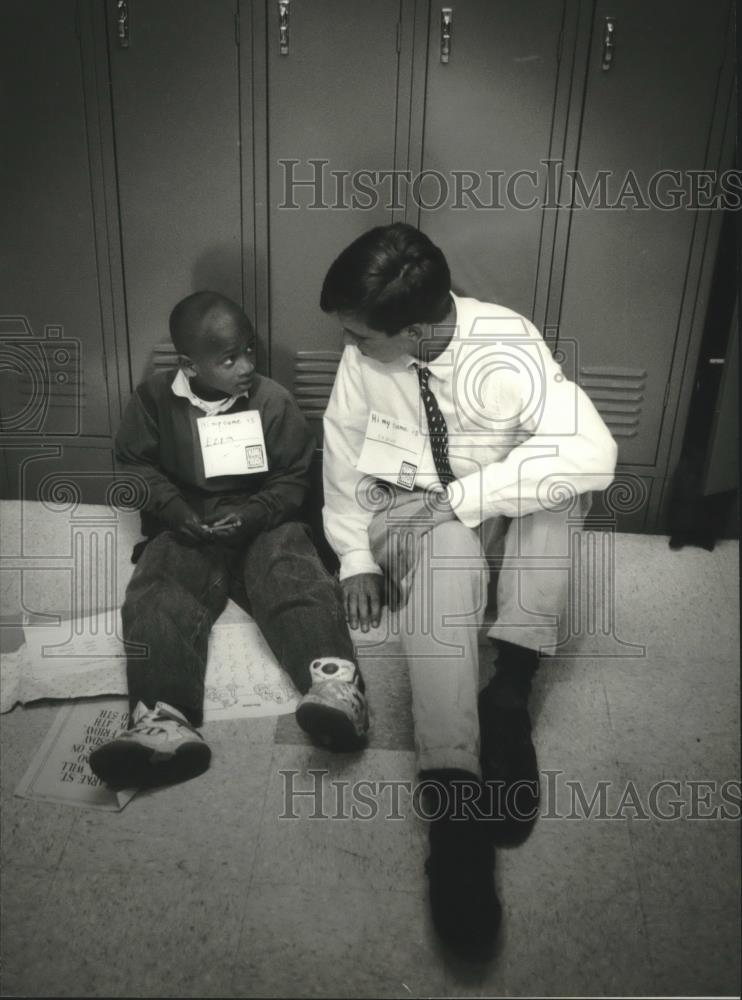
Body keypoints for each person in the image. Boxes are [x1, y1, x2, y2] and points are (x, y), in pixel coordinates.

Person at [319, 223, 617, 959]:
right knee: (444, 540)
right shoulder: (364, 361)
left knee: (558, 489)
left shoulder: (506, 341)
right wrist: (355, 554)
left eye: (361, 337)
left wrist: (465, 497)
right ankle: (454, 798)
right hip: (413, 524)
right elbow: (343, 448)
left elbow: (596, 451)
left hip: (479, 507)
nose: (350, 349)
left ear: (416, 328)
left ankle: (508, 692)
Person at [89, 291, 368, 789]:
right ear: (188, 365)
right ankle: (164, 721)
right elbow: (136, 466)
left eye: (249, 351)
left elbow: (293, 477)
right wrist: (176, 513)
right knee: (155, 591)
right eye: (227, 358)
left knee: (294, 575)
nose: (245, 366)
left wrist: (258, 512)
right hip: (190, 525)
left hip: (263, 520)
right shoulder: (153, 400)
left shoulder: (271, 400)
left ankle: (335, 688)